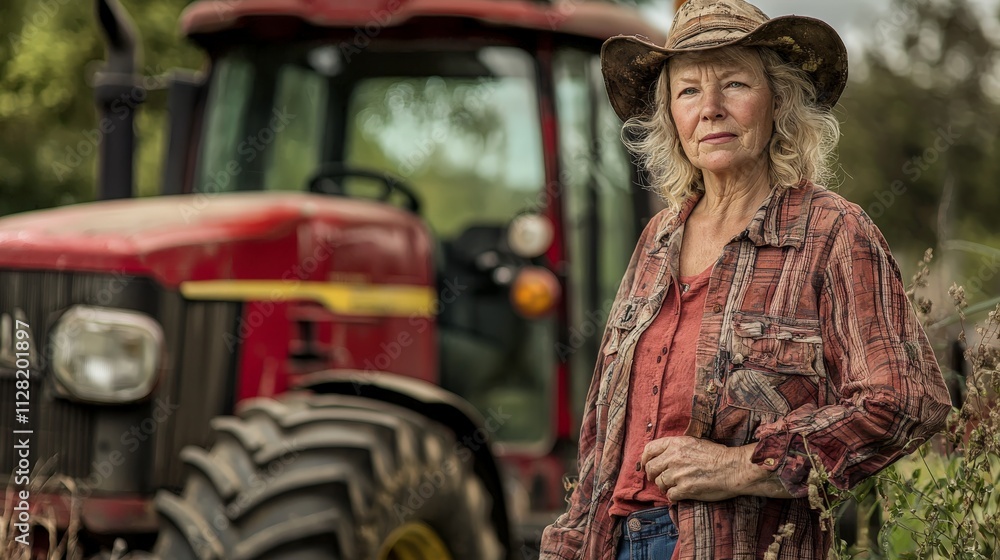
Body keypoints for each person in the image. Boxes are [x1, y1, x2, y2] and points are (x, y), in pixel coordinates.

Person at [539, 0, 952, 559]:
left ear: (779, 101)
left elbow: (906, 399)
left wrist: (742, 466)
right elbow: (599, 438)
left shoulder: (831, 230)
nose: (710, 109)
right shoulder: (659, 236)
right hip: (615, 543)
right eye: (688, 91)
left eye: (734, 84)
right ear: (671, 117)